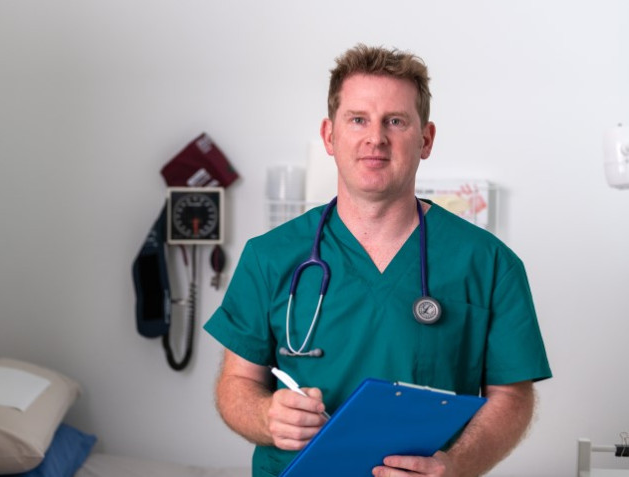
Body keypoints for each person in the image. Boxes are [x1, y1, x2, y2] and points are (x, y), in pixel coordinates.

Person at [204, 44, 551, 477]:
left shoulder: (489, 264)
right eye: (358, 120)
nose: (376, 138)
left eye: (396, 121)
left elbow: (512, 397)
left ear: (425, 140)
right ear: (330, 136)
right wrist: (265, 416)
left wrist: (456, 465)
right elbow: (236, 385)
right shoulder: (270, 256)